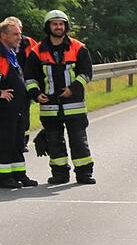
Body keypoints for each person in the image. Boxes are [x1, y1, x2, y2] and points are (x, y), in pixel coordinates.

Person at [24, 9, 95, 185]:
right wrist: (36, 93)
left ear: (66, 26)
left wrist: (73, 89)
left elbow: (86, 73)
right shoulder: (37, 51)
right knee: (55, 142)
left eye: (61, 24)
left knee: (78, 141)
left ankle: (84, 173)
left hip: (74, 104)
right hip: (49, 106)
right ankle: (60, 174)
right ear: (48, 27)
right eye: (55, 24)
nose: (58, 27)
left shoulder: (78, 48)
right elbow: (29, 77)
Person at [0, 17, 36, 187]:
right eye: (15, 34)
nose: (19, 37)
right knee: (5, 141)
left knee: (18, 141)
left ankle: (19, 174)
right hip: (4, 108)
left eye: (20, 34)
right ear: (3, 36)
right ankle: (4, 177)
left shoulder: (11, 53)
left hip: (17, 106)